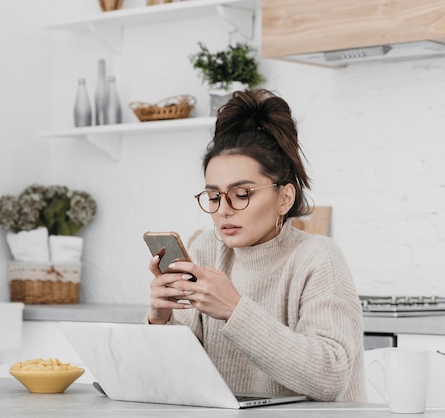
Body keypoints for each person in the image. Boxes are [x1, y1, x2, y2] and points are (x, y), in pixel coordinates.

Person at [147, 89, 365, 402]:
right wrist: (160, 317)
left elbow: (329, 377)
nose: (223, 209)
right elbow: (176, 376)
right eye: (213, 196)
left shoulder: (317, 257)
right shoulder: (206, 249)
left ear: (285, 198)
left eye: (242, 193)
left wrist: (234, 310)